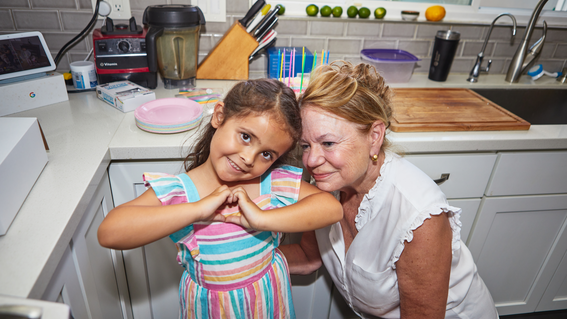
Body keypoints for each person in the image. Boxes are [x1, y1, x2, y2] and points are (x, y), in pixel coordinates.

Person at [98, 79, 343, 319]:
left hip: (269, 303)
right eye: (246, 137)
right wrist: (196, 210)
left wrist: (260, 218)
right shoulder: (181, 191)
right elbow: (109, 232)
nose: (249, 158)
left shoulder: (272, 182)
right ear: (219, 116)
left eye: (266, 154)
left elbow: (331, 209)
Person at [280, 61, 498, 319]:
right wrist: (238, 259)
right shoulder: (329, 182)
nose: (311, 160)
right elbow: (308, 256)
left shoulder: (419, 217)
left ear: (374, 136)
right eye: (305, 145)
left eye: (328, 143)